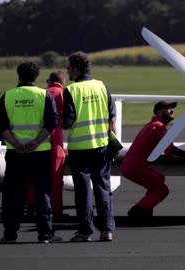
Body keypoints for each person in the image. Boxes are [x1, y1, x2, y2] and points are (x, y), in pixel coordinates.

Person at [0, 61, 61, 243]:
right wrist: (35, 142)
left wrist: (16, 143)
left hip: (15, 153)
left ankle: (9, 234)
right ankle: (45, 233)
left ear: (18, 75)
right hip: (40, 152)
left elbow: (1, 124)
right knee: (42, 193)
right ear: (36, 77)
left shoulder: (8, 96)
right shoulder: (43, 95)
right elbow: (51, 123)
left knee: (13, 194)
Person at [62, 51, 116, 242]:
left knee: (83, 191)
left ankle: (85, 231)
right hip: (101, 145)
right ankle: (107, 229)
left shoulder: (72, 90)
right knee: (103, 187)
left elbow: (68, 120)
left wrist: (60, 123)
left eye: (68, 68)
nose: (67, 71)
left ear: (76, 68)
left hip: (80, 148)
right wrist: (113, 140)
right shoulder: (102, 86)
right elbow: (111, 117)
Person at [121, 100, 185, 219]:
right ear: (159, 112)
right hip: (135, 167)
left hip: (130, 165)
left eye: (173, 108)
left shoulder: (152, 125)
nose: (172, 111)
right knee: (162, 190)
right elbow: (170, 150)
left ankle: (145, 211)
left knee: (159, 178)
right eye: (168, 108)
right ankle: (137, 211)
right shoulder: (159, 127)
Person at [26, 71, 66, 218]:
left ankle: (31, 207)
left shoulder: (40, 94)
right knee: (55, 180)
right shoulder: (62, 94)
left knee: (33, 178)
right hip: (55, 143)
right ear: (62, 82)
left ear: (49, 81)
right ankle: (55, 211)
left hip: (37, 142)